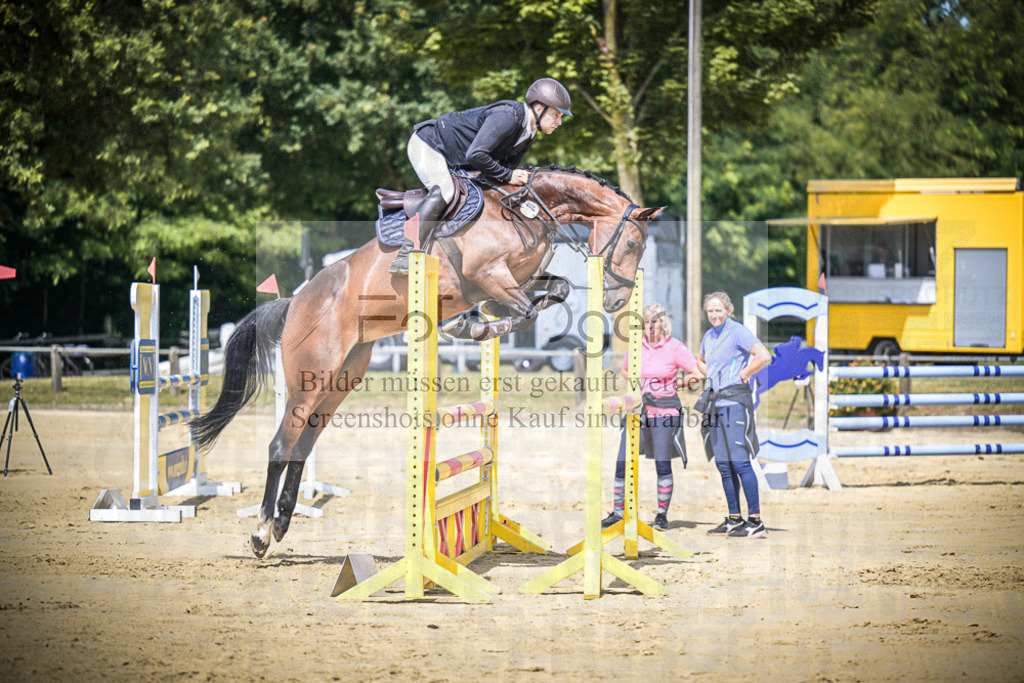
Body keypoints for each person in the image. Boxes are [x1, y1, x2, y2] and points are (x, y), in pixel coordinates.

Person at [390, 77, 573, 274]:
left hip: (457, 160)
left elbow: (505, 172)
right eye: (556, 115)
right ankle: (405, 254)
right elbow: (476, 155)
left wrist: (513, 179)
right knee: (445, 191)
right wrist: (509, 175)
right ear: (539, 109)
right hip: (430, 145)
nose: (559, 122)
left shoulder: (528, 133)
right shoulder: (507, 117)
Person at [601, 303, 699, 531]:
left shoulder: (675, 347)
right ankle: (617, 512)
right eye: (646, 322)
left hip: (665, 412)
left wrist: (677, 383)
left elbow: (698, 373)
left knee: (662, 464)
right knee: (622, 461)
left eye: (655, 321)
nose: (650, 326)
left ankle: (662, 515)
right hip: (637, 411)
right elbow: (625, 369)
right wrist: (638, 386)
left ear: (663, 324)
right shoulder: (635, 347)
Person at [697, 292, 772, 539]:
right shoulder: (708, 335)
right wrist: (712, 377)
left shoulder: (737, 330)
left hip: (734, 404)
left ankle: (756, 521)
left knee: (740, 462)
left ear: (728, 310)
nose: (714, 315)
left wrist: (743, 374)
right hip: (714, 405)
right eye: (710, 311)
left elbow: (763, 355)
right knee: (723, 464)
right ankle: (733, 518)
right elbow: (701, 360)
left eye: (719, 310)